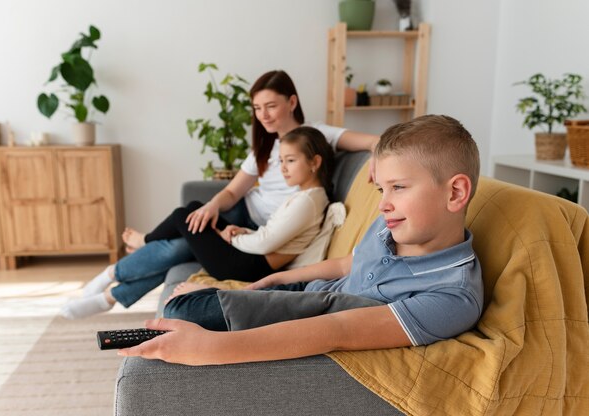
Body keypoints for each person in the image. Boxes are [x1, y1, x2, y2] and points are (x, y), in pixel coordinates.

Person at [118, 114, 484, 365]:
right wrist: (276, 280)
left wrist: (210, 349)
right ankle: (113, 286)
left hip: (316, 312)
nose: (383, 204)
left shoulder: (452, 296)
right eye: (381, 188)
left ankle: (113, 284)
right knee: (186, 295)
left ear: (455, 194)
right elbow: (347, 264)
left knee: (181, 310)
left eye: (399, 187)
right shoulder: (392, 224)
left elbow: (336, 330)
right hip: (309, 290)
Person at [61, 126, 335, 319]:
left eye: (290, 160)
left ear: (314, 162)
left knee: (188, 213)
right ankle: (110, 297)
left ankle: (129, 256)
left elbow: (267, 242)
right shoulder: (305, 197)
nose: (283, 168)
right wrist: (241, 231)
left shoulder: (309, 200)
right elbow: (270, 234)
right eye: (281, 161)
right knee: (182, 245)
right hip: (250, 259)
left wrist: (232, 238)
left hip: (249, 266)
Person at [122, 69, 378, 253]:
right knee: (187, 229)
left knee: (179, 247)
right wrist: (213, 206)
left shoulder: (319, 134)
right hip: (242, 211)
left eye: (270, 106)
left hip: (265, 226)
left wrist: (376, 158)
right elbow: (233, 191)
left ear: (291, 102)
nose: (263, 115)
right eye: (257, 108)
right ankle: (122, 267)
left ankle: (128, 260)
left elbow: (375, 141)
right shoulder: (264, 147)